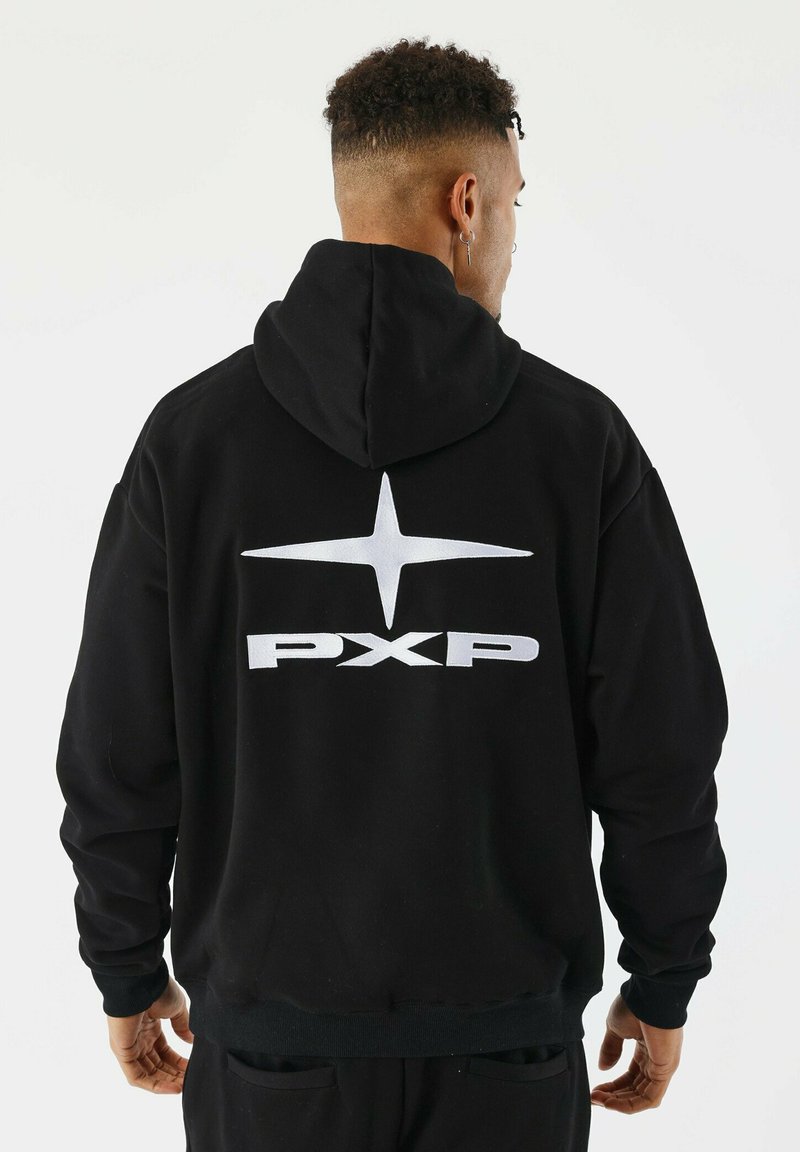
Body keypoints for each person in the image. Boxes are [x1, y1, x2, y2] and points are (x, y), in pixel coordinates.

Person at [55, 35, 728, 1152]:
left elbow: (118, 749)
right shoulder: (578, 444)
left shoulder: (193, 442)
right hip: (508, 1060)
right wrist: (663, 979)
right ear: (467, 202)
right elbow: (660, 750)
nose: (511, 232)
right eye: (513, 202)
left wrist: (125, 968)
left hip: (267, 1061)